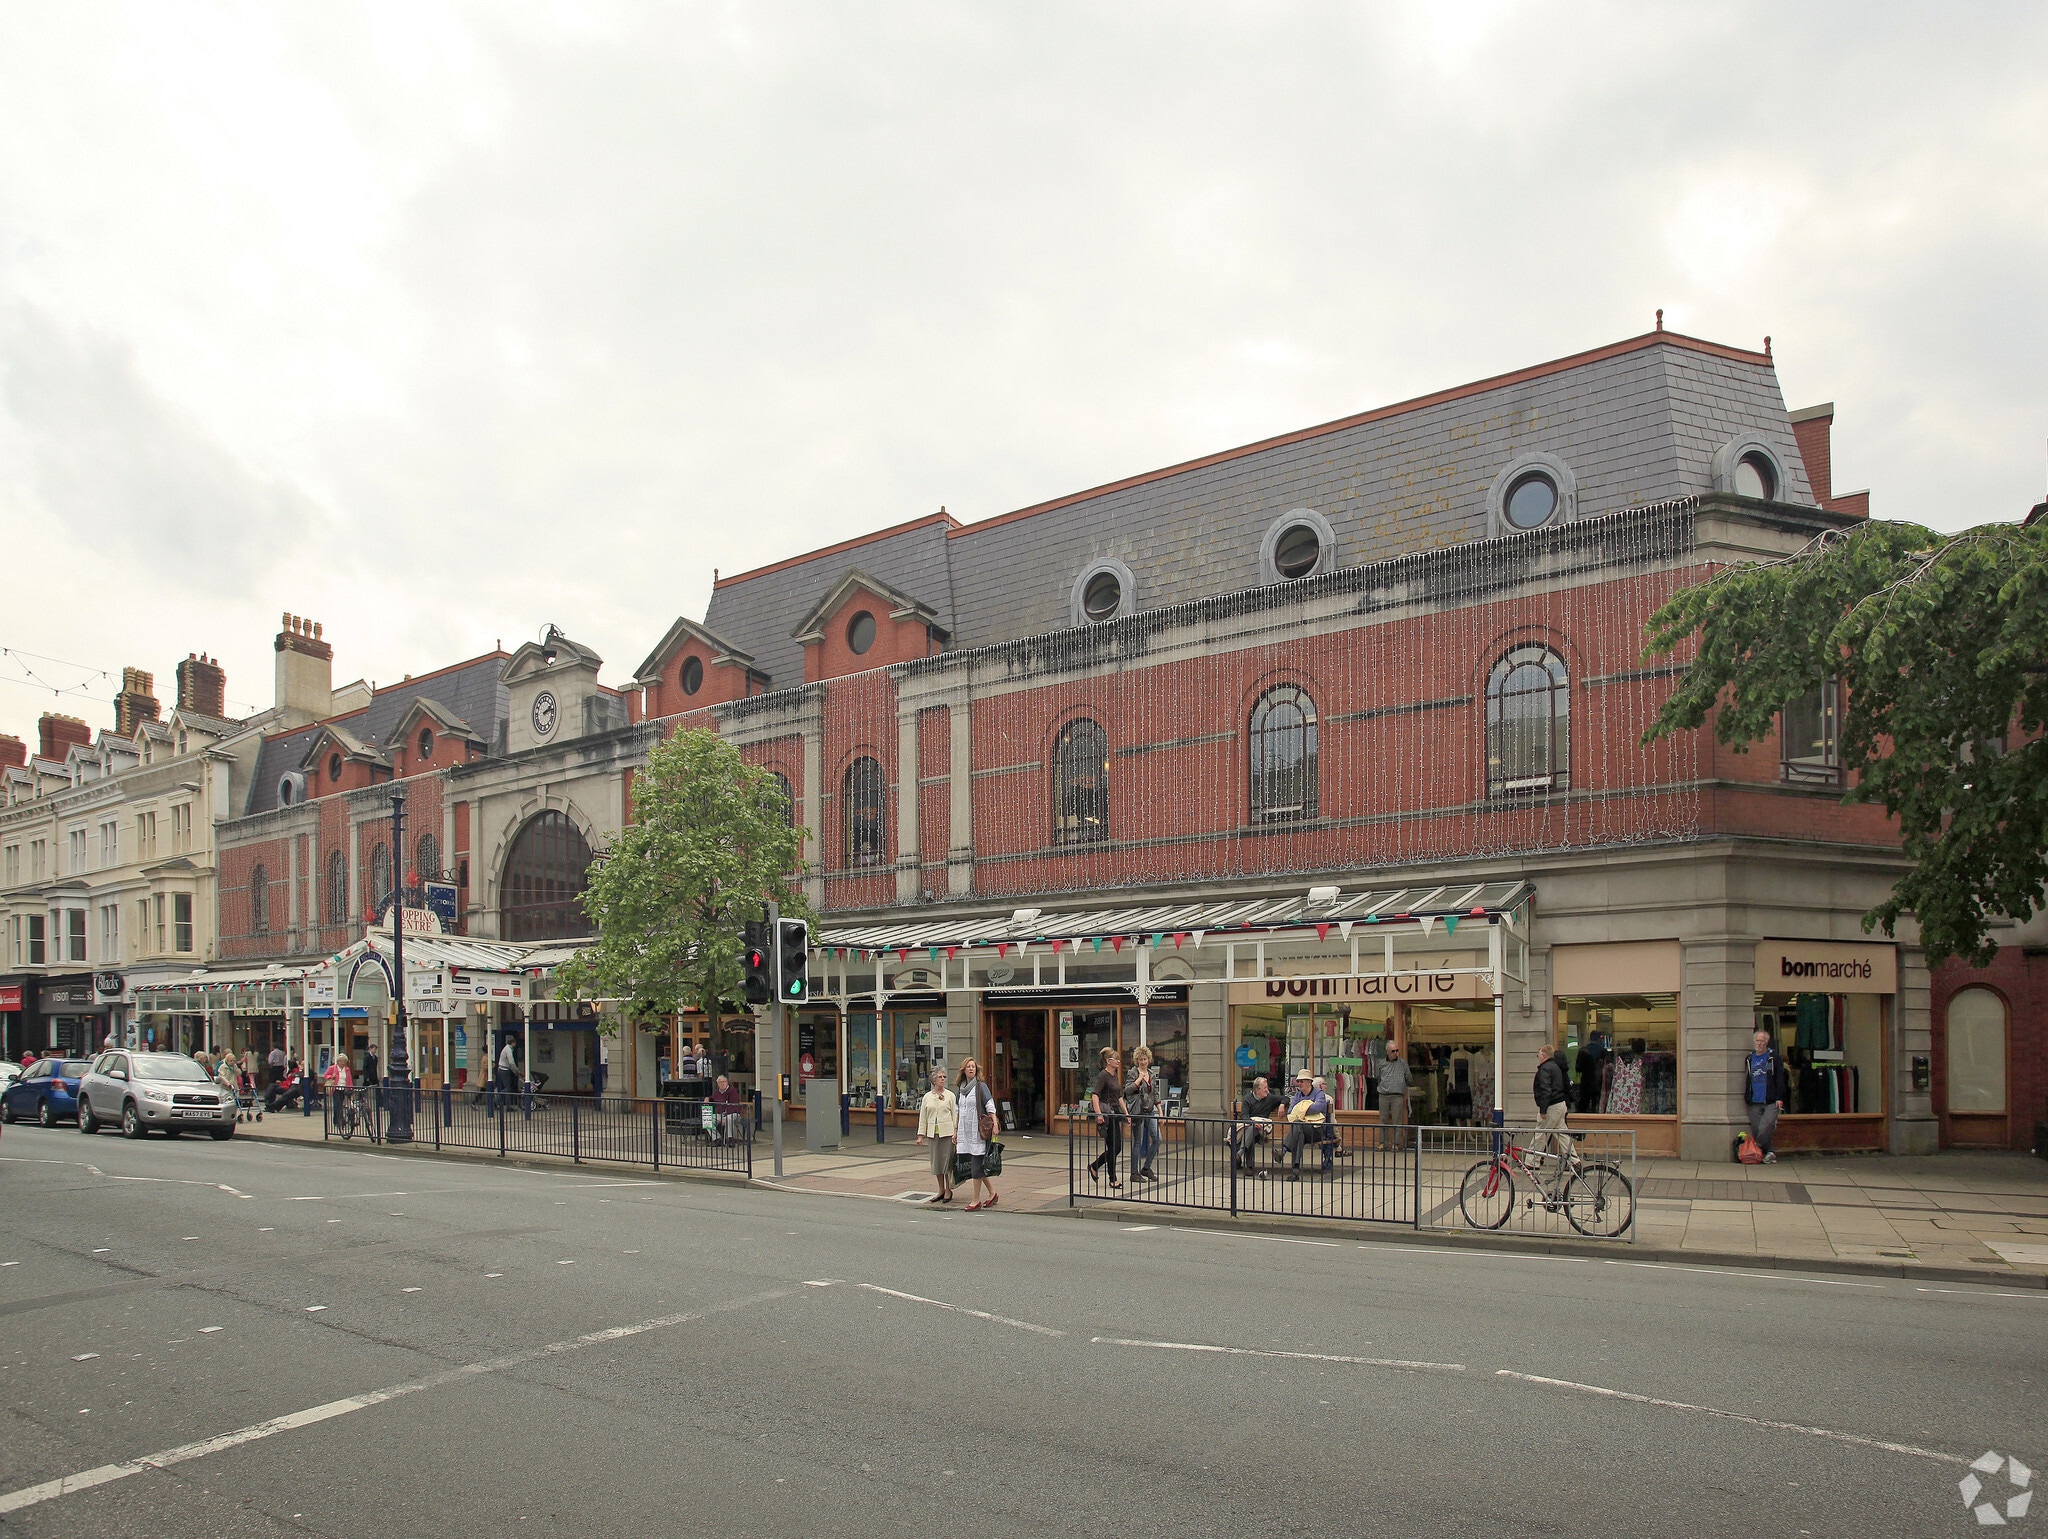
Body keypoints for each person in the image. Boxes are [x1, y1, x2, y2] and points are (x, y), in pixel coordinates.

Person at [953, 1056, 1000, 1210]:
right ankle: (992, 1193)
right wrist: (955, 1131)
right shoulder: (961, 1089)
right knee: (977, 1165)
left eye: (973, 1066)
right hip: (965, 1132)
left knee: (975, 1166)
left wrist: (995, 1124)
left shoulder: (981, 1087)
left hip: (978, 1132)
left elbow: (990, 1105)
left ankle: (975, 1200)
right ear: (964, 1070)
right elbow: (958, 1112)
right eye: (968, 1066)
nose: (971, 1069)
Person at [1529, 1042, 1574, 1184]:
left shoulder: (1545, 1069)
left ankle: (1532, 1161)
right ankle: (1574, 1160)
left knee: (1541, 1132)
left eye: (1538, 1055)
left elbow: (1545, 1089)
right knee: (1562, 1133)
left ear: (1543, 1055)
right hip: (1560, 1104)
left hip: (1552, 1106)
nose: (1538, 1057)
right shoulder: (1556, 1067)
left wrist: (1543, 1109)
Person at [1743, 1027, 1789, 1165]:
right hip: (1754, 1100)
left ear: (1767, 1042)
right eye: (1757, 1041)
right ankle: (1770, 1153)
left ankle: (1754, 1148)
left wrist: (1780, 1097)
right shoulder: (1750, 1059)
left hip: (1771, 1099)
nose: (1759, 1043)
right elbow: (1748, 1078)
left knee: (1766, 1126)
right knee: (1757, 1129)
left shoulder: (1773, 1057)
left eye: (1762, 1041)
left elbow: (1780, 1078)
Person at [1282, 1069, 1335, 1180]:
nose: (1299, 1084)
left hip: (1316, 1130)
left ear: (1309, 1082)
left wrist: (1301, 1108)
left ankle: (1283, 1150)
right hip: (1302, 1130)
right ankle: (1295, 1170)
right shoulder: (1297, 1095)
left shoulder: (1319, 1094)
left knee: (1297, 1124)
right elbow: (1290, 1112)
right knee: (1299, 1133)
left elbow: (1318, 1108)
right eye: (1298, 1081)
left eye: (1301, 1081)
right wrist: (1307, 1106)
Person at [916, 1067, 959, 1204]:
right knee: (936, 1163)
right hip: (932, 1134)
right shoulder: (927, 1097)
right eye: (940, 1077)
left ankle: (948, 1189)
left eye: (944, 1077)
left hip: (947, 1133)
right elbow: (923, 1116)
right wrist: (920, 1135)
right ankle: (940, 1189)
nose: (943, 1079)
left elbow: (955, 1115)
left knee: (947, 1163)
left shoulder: (950, 1095)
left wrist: (956, 1132)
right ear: (934, 1079)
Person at [1086, 1046, 1126, 1191]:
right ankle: (1112, 1179)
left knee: (1117, 1147)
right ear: (1109, 1061)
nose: (1119, 1062)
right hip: (1106, 1114)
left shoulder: (1114, 1075)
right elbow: (1095, 1095)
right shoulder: (1103, 1076)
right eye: (1116, 1059)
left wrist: (1126, 1113)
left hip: (1115, 1113)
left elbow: (1119, 1096)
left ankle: (1095, 1166)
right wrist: (1099, 1114)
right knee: (1113, 1147)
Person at [1234, 1075, 1285, 1175]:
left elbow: (1285, 1098)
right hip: (1250, 1130)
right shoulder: (1247, 1099)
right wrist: (1253, 1123)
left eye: (1267, 1087)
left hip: (1263, 1132)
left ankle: (1241, 1154)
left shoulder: (1270, 1098)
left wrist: (1282, 1104)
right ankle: (1248, 1165)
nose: (1267, 1090)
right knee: (1251, 1132)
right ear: (1257, 1090)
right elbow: (1244, 1116)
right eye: (1265, 1088)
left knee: (1251, 1131)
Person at [1125, 1044, 1162, 1182]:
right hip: (1138, 1111)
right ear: (1137, 1060)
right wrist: (1139, 1079)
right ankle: (1134, 1173)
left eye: (1145, 1059)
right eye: (1140, 1059)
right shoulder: (1132, 1073)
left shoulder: (1152, 1074)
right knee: (1138, 1142)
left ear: (1149, 1060)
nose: (1143, 1062)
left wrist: (1160, 1111)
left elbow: (1155, 1094)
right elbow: (1127, 1090)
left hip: (1150, 1111)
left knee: (1158, 1139)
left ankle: (1146, 1168)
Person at [1376, 1044, 1412, 1149]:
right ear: (1387, 1052)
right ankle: (1383, 1143)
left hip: (1397, 1095)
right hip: (1384, 1095)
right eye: (1393, 1051)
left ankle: (1395, 1144)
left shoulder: (1402, 1064)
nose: (1395, 1053)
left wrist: (1403, 1086)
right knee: (1383, 1120)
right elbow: (1378, 1077)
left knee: (1397, 1121)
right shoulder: (1382, 1063)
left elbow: (1409, 1078)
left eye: (1397, 1050)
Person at [710, 1072, 747, 1144]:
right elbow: (712, 1100)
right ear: (717, 1084)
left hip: (733, 1113)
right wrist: (707, 1098)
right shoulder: (716, 1093)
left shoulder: (732, 1091)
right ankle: (717, 1139)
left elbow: (734, 1105)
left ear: (727, 1082)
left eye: (723, 1082)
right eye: (720, 1082)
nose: (722, 1084)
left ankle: (730, 1138)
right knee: (707, 1120)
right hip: (720, 1114)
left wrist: (725, 1116)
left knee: (729, 1118)